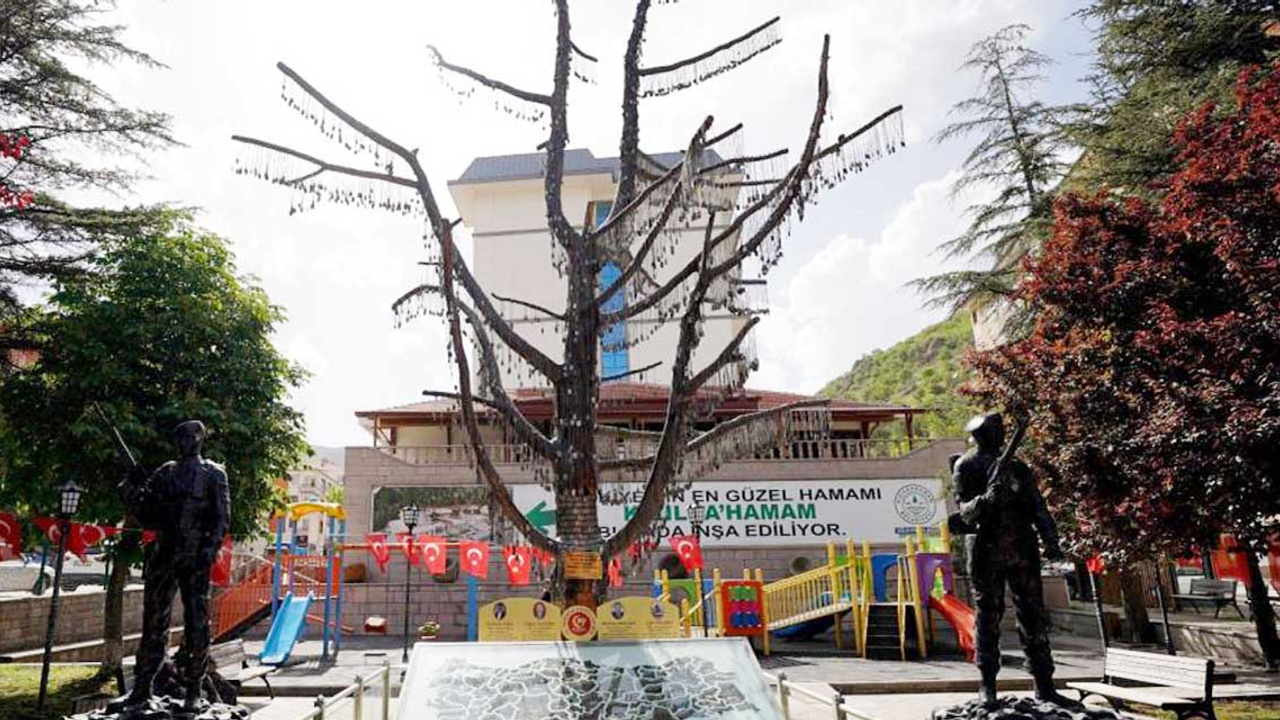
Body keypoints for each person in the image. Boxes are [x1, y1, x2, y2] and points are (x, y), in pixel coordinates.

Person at [109, 420, 230, 716]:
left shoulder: (214, 473)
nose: (185, 443)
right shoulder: (165, 472)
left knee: (197, 622)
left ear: (199, 440)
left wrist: (208, 551)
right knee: (153, 621)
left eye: (190, 437)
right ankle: (141, 690)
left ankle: (193, 691)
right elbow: (147, 514)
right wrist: (131, 487)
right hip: (164, 553)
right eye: (180, 438)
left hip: (195, 555)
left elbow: (221, 518)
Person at [951, 412, 1069, 707]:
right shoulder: (966, 465)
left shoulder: (1017, 467)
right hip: (985, 548)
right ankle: (987, 685)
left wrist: (1051, 541)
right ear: (983, 435)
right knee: (988, 616)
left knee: (1033, 616)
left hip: (1021, 546)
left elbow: (1037, 506)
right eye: (997, 431)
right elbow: (962, 510)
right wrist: (984, 501)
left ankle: (1044, 684)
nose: (1002, 435)